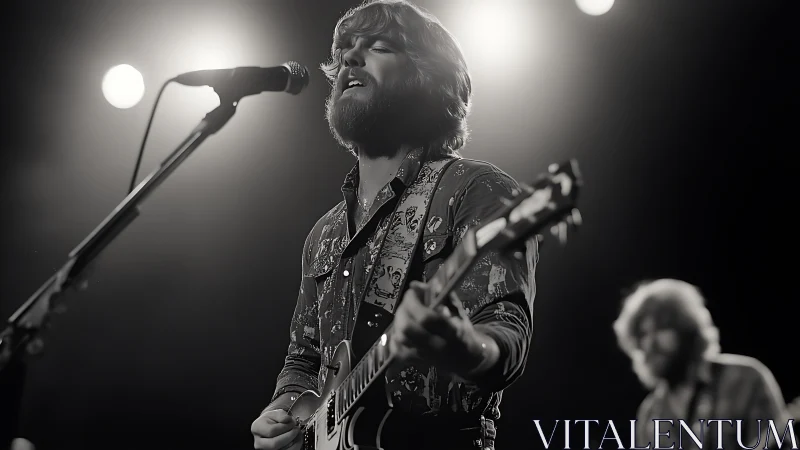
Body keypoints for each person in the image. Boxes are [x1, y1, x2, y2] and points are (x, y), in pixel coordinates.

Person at [250, 1, 538, 449]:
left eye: (379, 46)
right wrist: (282, 411)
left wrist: (464, 346)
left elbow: (506, 328)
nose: (350, 57)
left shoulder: (476, 190)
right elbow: (303, 358)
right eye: (345, 49)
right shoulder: (323, 235)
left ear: (430, 78)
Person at [613, 278, 793, 449]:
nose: (650, 344)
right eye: (643, 334)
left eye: (662, 327)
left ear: (688, 328)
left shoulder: (744, 379)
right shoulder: (650, 414)